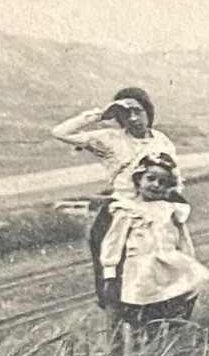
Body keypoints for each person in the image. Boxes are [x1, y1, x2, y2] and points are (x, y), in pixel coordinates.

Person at [52, 87, 177, 292]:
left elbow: (174, 176)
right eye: (125, 113)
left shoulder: (162, 141)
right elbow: (60, 132)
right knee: (113, 274)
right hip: (120, 211)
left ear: (149, 112)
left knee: (160, 273)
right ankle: (117, 318)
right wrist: (98, 115)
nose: (133, 118)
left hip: (154, 214)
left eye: (138, 111)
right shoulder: (109, 139)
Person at [99, 155, 209, 352]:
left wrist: (189, 261)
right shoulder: (127, 209)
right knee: (139, 316)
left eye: (162, 182)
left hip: (169, 263)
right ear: (138, 180)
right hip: (141, 268)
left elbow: (183, 238)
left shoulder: (170, 209)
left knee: (171, 305)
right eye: (150, 179)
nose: (155, 185)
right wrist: (110, 273)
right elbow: (113, 242)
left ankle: (165, 348)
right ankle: (139, 355)